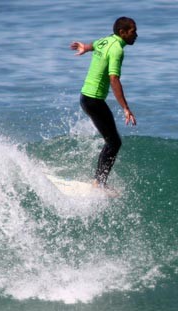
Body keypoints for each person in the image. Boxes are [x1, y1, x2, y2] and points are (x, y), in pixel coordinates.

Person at [70, 17, 138, 189]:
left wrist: (86, 47)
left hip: (86, 97)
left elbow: (96, 44)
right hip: (93, 100)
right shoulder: (117, 50)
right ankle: (99, 183)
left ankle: (99, 181)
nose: (136, 35)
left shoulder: (107, 39)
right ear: (122, 33)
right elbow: (114, 79)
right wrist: (125, 108)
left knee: (112, 141)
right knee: (114, 143)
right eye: (132, 32)